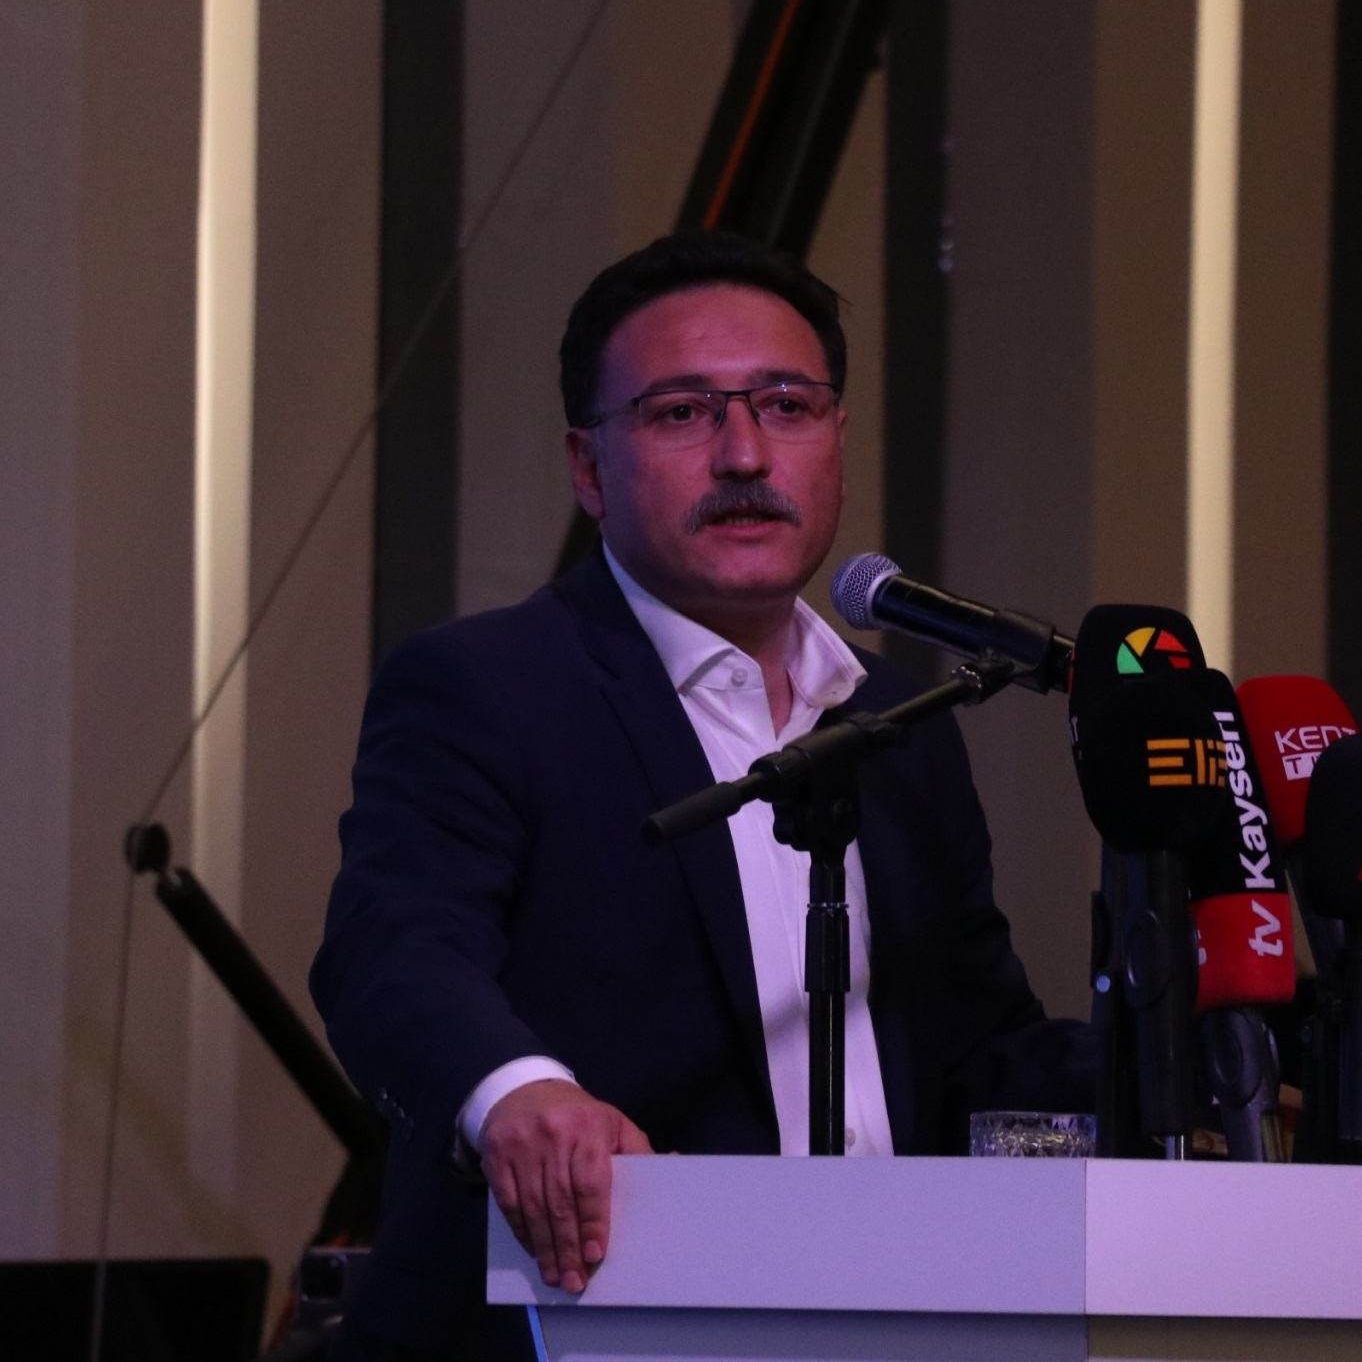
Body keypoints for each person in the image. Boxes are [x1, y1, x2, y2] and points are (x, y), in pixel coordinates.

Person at [310, 230, 1093, 1360]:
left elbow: (973, 1048)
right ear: (588, 467)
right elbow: (393, 950)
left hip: (897, 1322)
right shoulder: (489, 685)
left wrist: (1216, 1066)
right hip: (585, 1325)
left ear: (835, 441)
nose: (743, 453)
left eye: (786, 405)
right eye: (681, 412)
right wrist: (519, 1093)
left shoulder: (896, 718)